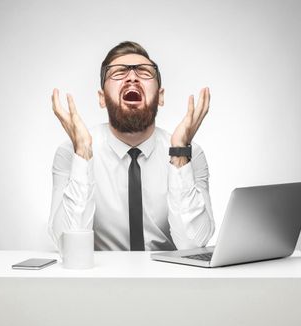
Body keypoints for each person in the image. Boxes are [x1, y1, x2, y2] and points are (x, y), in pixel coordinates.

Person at [48, 41, 214, 251]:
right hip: (100, 281)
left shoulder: (191, 153)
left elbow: (192, 245)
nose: (132, 77)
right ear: (102, 98)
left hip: (167, 280)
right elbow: (67, 245)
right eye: (118, 73)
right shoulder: (70, 153)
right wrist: (82, 152)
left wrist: (180, 152)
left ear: (160, 96)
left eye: (144, 72)